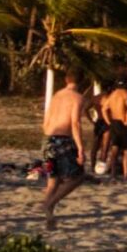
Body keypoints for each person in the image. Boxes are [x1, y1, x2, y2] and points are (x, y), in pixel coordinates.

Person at [41, 70, 85, 230]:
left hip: (47, 138)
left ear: (66, 79)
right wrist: (80, 148)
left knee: (53, 180)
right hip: (62, 139)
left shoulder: (56, 96)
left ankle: (49, 218)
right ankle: (49, 204)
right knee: (78, 177)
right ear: (81, 81)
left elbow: (46, 120)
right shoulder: (77, 98)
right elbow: (75, 123)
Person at [103, 79, 127, 180]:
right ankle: (126, 174)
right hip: (123, 123)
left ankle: (113, 174)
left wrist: (108, 122)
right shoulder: (126, 94)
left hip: (114, 123)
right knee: (126, 150)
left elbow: (104, 109)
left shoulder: (112, 95)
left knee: (114, 149)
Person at [86, 88, 110, 172]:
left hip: (98, 122)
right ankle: (101, 167)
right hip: (107, 122)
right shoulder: (109, 98)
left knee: (95, 145)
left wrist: (91, 120)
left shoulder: (96, 98)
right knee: (105, 146)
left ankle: (93, 166)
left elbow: (86, 109)